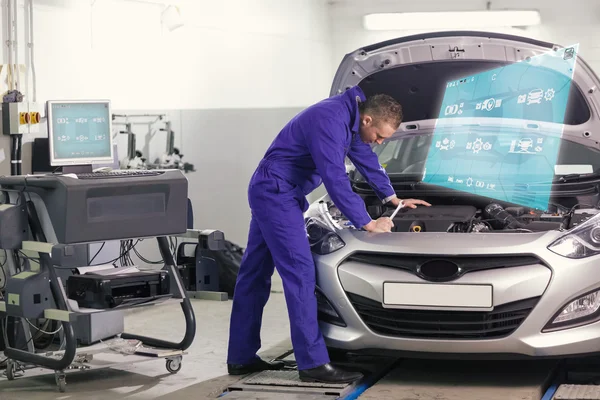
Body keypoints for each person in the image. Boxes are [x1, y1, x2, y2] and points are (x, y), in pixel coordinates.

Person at [226, 85, 430, 383]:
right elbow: (335, 176)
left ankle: (241, 357)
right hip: (277, 192)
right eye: (381, 136)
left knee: (254, 274)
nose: (380, 142)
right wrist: (367, 223)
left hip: (277, 190)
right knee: (300, 272)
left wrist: (391, 198)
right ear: (367, 120)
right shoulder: (329, 118)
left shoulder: (352, 121)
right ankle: (312, 364)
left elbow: (366, 158)